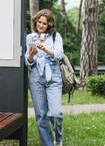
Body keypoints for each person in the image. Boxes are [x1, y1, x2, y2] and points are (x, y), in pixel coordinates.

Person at [25, 9, 64, 146]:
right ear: (35, 23)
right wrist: (31, 55)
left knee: (55, 112)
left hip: (52, 74)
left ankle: (58, 138)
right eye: (39, 22)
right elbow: (27, 60)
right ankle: (48, 144)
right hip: (36, 76)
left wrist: (45, 50)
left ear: (49, 25)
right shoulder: (30, 37)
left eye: (44, 23)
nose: (41, 25)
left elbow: (59, 55)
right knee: (41, 115)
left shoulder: (55, 37)